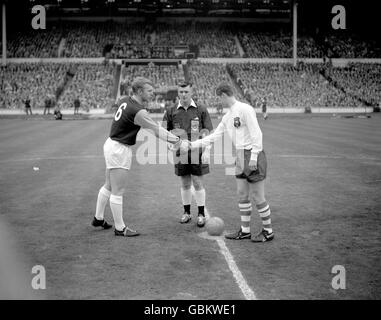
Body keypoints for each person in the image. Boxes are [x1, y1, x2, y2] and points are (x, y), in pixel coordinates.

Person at [92, 77, 189, 237]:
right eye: (149, 91)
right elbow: (157, 131)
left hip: (112, 144)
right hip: (119, 148)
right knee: (118, 190)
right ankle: (120, 228)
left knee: (108, 185)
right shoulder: (138, 111)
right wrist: (178, 140)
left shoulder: (126, 100)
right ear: (139, 91)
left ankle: (98, 218)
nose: (153, 94)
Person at [189, 83, 274, 243]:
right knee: (242, 194)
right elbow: (213, 136)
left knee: (257, 195)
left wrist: (254, 157)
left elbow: (257, 133)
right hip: (240, 157)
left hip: (252, 155)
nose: (218, 102)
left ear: (223, 95)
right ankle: (245, 231)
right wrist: (192, 144)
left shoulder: (245, 109)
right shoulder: (227, 117)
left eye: (218, 98)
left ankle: (268, 231)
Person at [163, 81, 213, 227]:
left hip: (198, 151)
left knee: (197, 182)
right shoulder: (171, 110)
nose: (183, 95)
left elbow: (208, 132)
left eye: (186, 92)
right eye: (181, 92)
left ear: (191, 93)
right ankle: (186, 212)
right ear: (178, 93)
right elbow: (165, 131)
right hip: (181, 153)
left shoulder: (201, 109)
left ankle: (201, 214)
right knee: (185, 183)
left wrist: (207, 151)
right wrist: (169, 144)